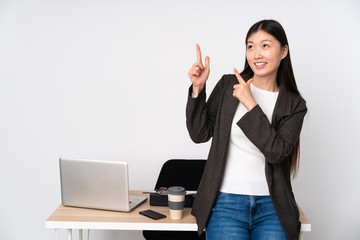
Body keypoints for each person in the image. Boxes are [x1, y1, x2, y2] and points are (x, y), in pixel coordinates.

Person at [186, 19, 307, 240]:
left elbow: (276, 152)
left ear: (283, 51)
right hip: (225, 204)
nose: (256, 54)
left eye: (265, 45)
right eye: (250, 46)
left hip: (274, 208)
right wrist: (198, 88)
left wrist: (250, 104)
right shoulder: (228, 86)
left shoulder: (294, 105)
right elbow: (199, 133)